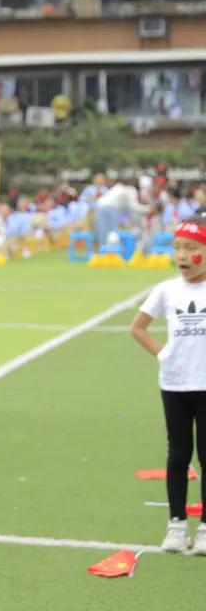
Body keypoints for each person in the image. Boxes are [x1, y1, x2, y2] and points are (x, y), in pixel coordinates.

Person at [130, 215, 206, 555]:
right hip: (175, 384)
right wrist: (162, 354)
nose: (183, 255)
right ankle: (176, 525)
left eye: (192, 248)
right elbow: (138, 327)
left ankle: (204, 527)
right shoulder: (166, 290)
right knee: (178, 455)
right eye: (177, 247)